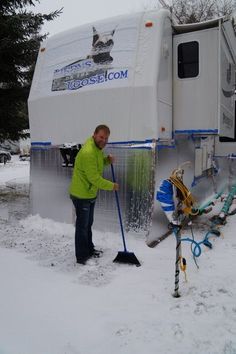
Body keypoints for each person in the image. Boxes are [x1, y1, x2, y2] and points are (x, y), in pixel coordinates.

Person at [69, 124, 119, 265]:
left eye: (106, 138)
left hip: (89, 193)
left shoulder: (97, 149)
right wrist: (112, 186)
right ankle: (82, 256)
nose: (104, 140)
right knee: (82, 226)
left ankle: (89, 250)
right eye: (101, 137)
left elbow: (96, 165)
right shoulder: (89, 152)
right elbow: (94, 178)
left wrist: (106, 161)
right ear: (94, 135)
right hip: (82, 195)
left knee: (88, 224)